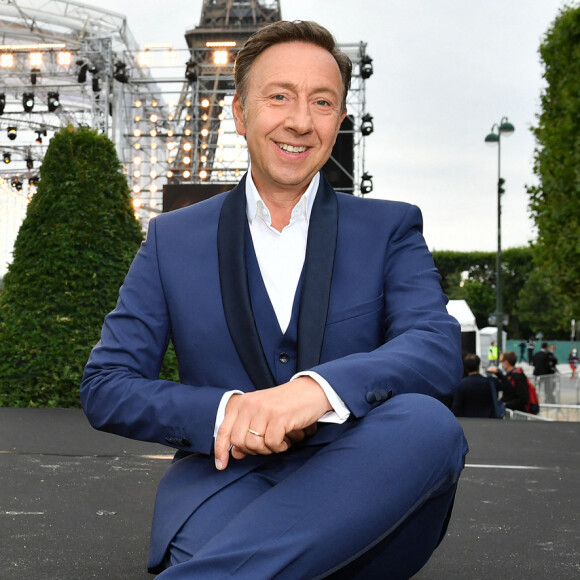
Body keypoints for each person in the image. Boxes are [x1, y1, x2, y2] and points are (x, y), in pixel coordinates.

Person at [81, 21, 468, 579]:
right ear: (239, 113)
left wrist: (316, 391)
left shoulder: (391, 227)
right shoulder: (172, 239)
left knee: (428, 425)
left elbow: (433, 347)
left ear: (338, 120)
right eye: (279, 96)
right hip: (224, 486)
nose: (300, 121)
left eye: (322, 102)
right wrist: (226, 411)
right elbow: (106, 384)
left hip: (364, 484)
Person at [452, 353, 497, 418]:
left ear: (466, 368)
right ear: (478, 366)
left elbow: (456, 407)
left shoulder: (461, 384)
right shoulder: (489, 383)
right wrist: (498, 373)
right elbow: (508, 387)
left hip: (468, 421)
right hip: (488, 419)